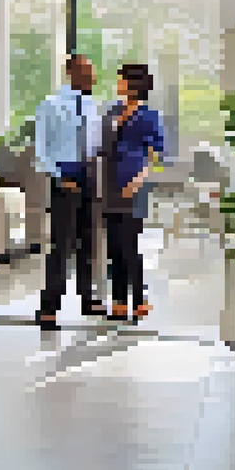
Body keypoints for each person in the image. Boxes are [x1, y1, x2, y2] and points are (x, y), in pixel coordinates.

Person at [34, 54, 103, 331]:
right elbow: (41, 151)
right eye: (88, 70)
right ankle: (49, 307)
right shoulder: (50, 105)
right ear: (72, 72)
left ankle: (88, 298)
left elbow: (96, 144)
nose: (93, 76)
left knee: (89, 241)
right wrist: (61, 177)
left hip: (89, 175)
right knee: (62, 245)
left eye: (93, 71)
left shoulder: (92, 107)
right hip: (65, 174)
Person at [102, 63, 165, 323]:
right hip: (109, 185)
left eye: (122, 80)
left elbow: (156, 156)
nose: (118, 84)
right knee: (114, 246)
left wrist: (138, 181)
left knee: (129, 245)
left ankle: (139, 299)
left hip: (134, 186)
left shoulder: (149, 116)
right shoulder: (113, 111)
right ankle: (118, 302)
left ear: (134, 84)